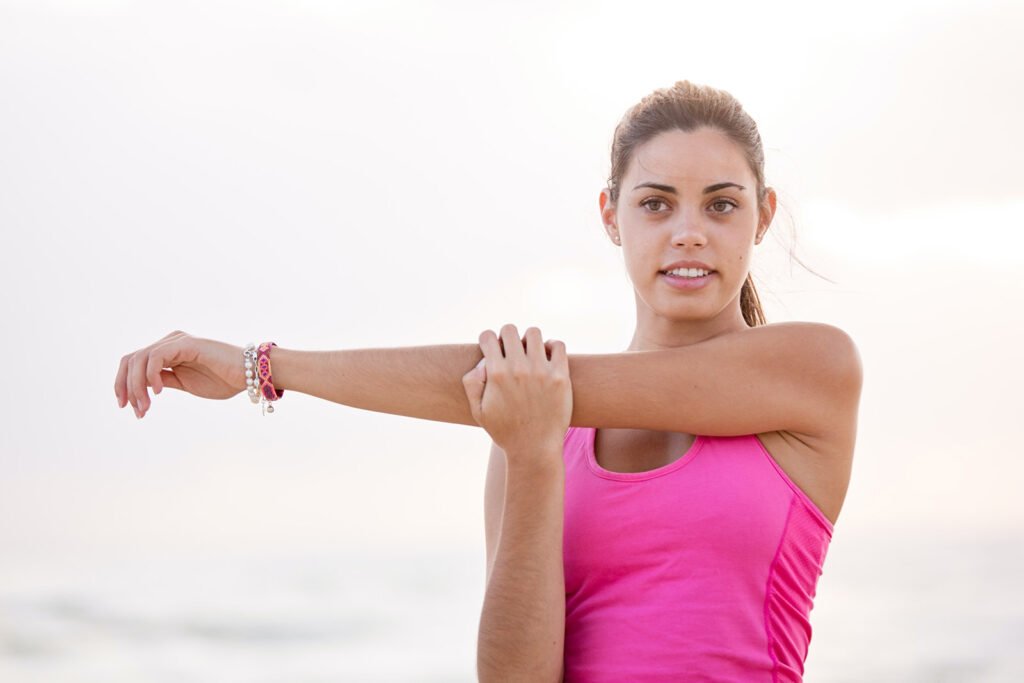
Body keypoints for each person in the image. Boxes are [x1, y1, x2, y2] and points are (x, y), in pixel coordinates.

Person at [114, 80, 862, 682]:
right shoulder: (529, 418)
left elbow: (499, 382)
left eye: (721, 204)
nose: (688, 231)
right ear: (611, 216)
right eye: (656, 203)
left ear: (763, 216)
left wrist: (262, 366)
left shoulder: (811, 371)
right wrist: (534, 454)